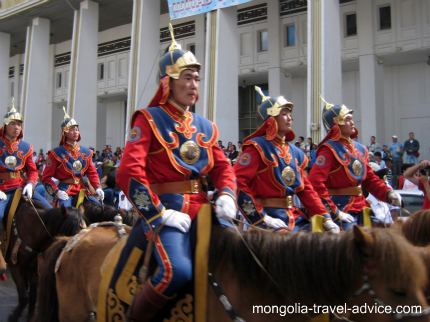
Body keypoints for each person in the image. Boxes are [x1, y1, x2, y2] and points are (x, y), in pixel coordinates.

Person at [107, 24, 237, 322]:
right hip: (168, 212)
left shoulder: (206, 126)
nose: (194, 85)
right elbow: (129, 171)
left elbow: (223, 167)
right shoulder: (149, 119)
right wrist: (159, 213)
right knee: (176, 272)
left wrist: (227, 194)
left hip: (205, 211)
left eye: (197, 79)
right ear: (168, 83)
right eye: (187, 78)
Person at [234, 87, 339, 233]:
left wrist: (325, 217)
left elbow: (305, 189)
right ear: (271, 119)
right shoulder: (256, 147)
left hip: (294, 217)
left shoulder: (295, 152)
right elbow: (239, 182)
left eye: (290, 114)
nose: (290, 118)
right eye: (284, 114)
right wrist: (261, 217)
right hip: (268, 217)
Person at [309, 99, 401, 230]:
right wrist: (334, 211)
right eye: (347, 119)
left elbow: (370, 179)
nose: (352, 122)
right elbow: (315, 183)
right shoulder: (328, 149)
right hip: (341, 209)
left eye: (351, 119)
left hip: (361, 207)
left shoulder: (360, 149)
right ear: (337, 123)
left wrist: (388, 193)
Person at [0, 101, 52, 268]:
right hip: (3, 190)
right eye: (14, 124)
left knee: (49, 210)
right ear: (6, 125)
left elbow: (33, 170)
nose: (17, 127)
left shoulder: (26, 147)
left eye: (20, 124)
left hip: (21, 187)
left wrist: (30, 183)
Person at [42, 107, 104, 207]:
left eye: (76, 129)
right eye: (72, 130)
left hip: (83, 189)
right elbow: (46, 178)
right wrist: (57, 192)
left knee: (99, 209)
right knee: (65, 213)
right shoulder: (55, 153)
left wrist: (98, 188)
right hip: (65, 190)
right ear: (65, 132)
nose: (75, 132)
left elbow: (92, 173)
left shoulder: (86, 152)